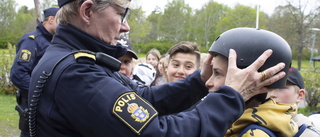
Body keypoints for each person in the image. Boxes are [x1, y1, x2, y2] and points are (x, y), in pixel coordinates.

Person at [28, 0, 286, 136]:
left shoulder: (77, 60)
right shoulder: (78, 73)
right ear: (87, 11)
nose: (125, 26)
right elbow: (158, 133)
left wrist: (198, 80)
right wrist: (232, 96)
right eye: (122, 14)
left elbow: (143, 99)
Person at [202, 27, 296, 137]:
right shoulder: (234, 122)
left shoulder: (256, 134)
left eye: (218, 73)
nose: (207, 82)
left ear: (252, 80)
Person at [10, 7, 59, 137]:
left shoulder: (54, 42)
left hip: (48, 106)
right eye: (61, 20)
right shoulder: (32, 41)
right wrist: (43, 91)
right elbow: (18, 75)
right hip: (33, 104)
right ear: (51, 19)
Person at [267, 67, 320, 136]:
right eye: (268, 87)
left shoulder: (308, 133)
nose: (271, 94)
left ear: (299, 95)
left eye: (281, 87)